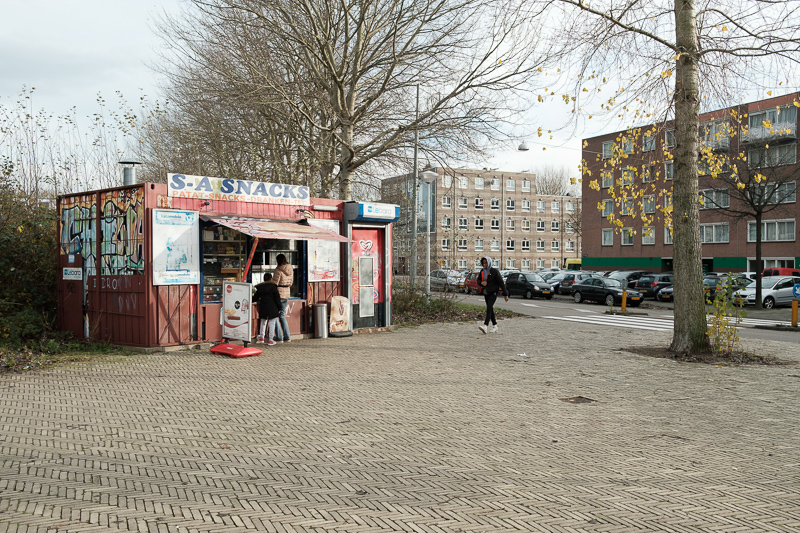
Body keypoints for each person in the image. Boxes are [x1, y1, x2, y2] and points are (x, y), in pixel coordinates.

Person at [477, 256, 508, 334]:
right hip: (486, 292)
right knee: (490, 309)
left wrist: (505, 294)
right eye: (483, 263)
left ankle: (485, 326)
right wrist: (481, 283)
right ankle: (495, 326)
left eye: (486, 263)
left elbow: (501, 282)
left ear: (489, 263)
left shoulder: (495, 271)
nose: (484, 265)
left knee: (489, 307)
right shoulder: (482, 271)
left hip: (493, 292)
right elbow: (478, 280)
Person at [270, 253, 294, 343]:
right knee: (282, 315)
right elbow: (291, 282)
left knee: (275, 315)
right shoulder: (290, 268)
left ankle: (279, 337)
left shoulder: (278, 270)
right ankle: (287, 336)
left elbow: (274, 284)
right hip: (287, 293)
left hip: (278, 294)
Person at [252, 274, 281, 346]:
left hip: (263, 307)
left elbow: (255, 298)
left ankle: (262, 337)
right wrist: (279, 307)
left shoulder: (260, 287)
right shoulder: (274, 287)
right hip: (272, 307)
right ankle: (270, 339)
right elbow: (277, 298)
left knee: (263, 322)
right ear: (271, 279)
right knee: (272, 323)